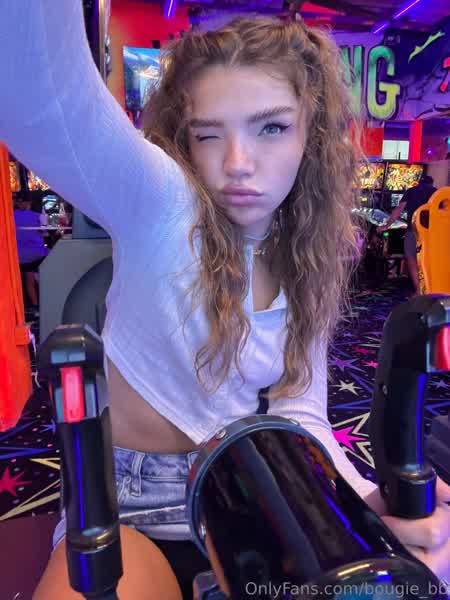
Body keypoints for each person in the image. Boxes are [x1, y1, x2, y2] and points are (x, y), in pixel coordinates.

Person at [1, 2, 449, 599]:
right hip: (131, 505)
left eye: (271, 128)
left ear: (311, 134)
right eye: (208, 134)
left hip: (261, 488)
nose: (237, 164)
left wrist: (359, 500)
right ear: (183, 140)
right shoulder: (163, 203)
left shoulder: (306, 250)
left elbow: (299, 413)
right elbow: (41, 94)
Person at [377, 175, 437, 295]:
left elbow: (399, 209)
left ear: (419, 183)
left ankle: (418, 289)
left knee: (411, 257)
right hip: (431, 232)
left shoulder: (411, 191)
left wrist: (387, 225)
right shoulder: (436, 192)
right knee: (428, 260)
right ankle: (430, 288)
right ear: (431, 183)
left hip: (414, 229)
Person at [13, 195, 49, 313]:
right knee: (36, 272)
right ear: (29, 203)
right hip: (37, 254)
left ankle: (35, 306)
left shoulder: (9, 216)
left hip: (18, 256)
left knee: (28, 276)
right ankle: (45, 300)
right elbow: (45, 233)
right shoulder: (37, 216)